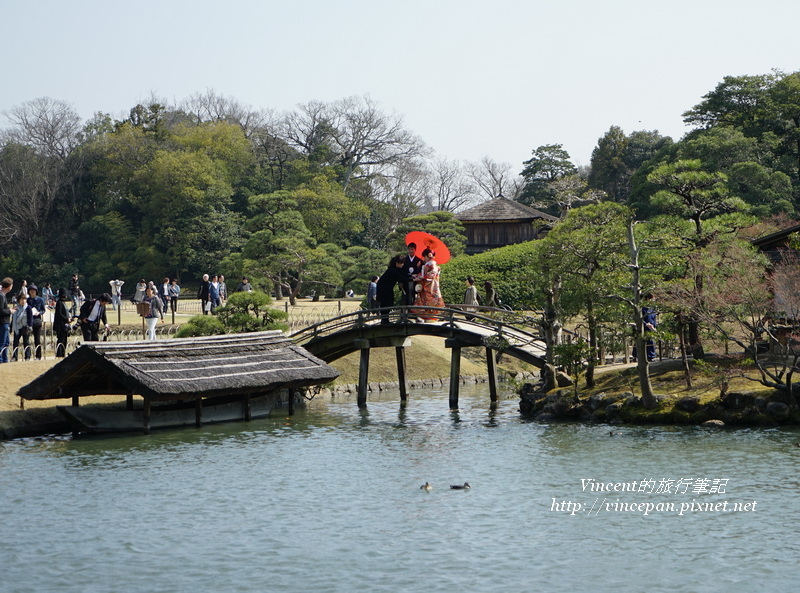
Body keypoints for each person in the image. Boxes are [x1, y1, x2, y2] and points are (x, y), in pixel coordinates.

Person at [412, 248, 446, 322]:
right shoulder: (431, 264)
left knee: (429, 300)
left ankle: (430, 317)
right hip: (431, 284)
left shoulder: (431, 264)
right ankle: (430, 317)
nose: (424, 259)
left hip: (429, 285)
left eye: (424, 257)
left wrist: (421, 277)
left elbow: (430, 275)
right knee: (428, 300)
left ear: (427, 256)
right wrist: (419, 275)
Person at [376, 255, 406, 324]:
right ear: (397, 263)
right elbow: (402, 278)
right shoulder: (392, 270)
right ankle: (384, 320)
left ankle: (385, 320)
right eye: (401, 263)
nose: (403, 264)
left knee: (389, 303)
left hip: (386, 288)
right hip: (384, 288)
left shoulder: (395, 269)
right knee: (386, 303)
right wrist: (414, 279)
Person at [26, 284, 46, 359]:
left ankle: (38, 355)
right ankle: (28, 355)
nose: (32, 292)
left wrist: (39, 312)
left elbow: (43, 310)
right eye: (30, 291)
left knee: (37, 339)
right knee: (26, 339)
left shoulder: (40, 300)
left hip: (37, 320)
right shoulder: (27, 300)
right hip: (28, 320)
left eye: (33, 291)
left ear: (36, 292)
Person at [11, 293, 33, 360]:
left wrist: (30, 326)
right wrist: (11, 327)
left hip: (25, 327)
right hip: (17, 327)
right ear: (18, 300)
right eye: (22, 299)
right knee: (15, 342)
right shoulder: (16, 308)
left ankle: (27, 356)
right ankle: (15, 356)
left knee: (26, 342)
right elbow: (13, 318)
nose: (23, 301)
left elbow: (30, 318)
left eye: (24, 299)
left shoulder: (28, 308)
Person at [401, 242, 423, 308]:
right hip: (406, 281)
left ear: (415, 250)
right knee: (405, 296)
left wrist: (418, 268)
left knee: (414, 296)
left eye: (412, 249)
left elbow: (420, 272)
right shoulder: (404, 260)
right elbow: (402, 271)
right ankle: (404, 312)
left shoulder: (419, 260)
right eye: (409, 249)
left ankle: (413, 312)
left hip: (415, 281)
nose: (411, 251)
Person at [53, 287, 71, 357]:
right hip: (60, 325)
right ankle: (59, 354)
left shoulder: (63, 303)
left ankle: (63, 354)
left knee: (64, 341)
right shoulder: (59, 303)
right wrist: (66, 319)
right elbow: (59, 314)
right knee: (61, 340)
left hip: (64, 325)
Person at [0, 277, 12, 363]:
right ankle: (1, 360)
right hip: (3, 322)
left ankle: (5, 360)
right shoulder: (1, 296)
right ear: (9, 286)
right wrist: (10, 311)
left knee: (6, 343)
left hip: (6, 322)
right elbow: (1, 311)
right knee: (2, 343)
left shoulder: (3, 296)